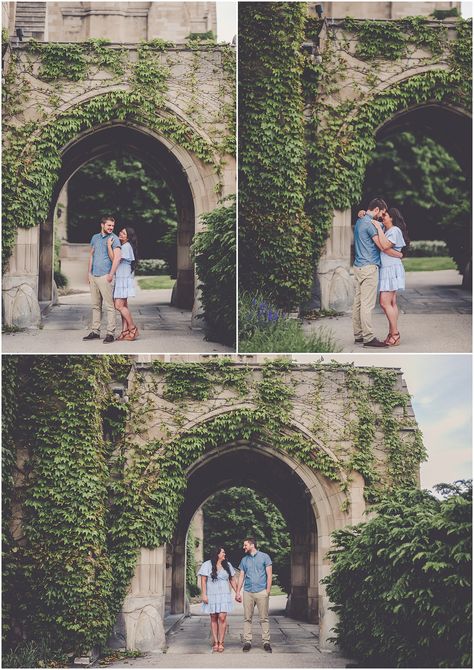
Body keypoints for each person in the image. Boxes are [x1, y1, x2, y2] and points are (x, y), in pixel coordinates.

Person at [352, 197, 402, 348]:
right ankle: (368, 338)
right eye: (381, 213)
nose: (381, 216)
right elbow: (382, 246)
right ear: (376, 210)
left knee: (358, 303)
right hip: (369, 268)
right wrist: (398, 254)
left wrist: (361, 213)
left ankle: (358, 335)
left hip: (358, 267)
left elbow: (381, 224)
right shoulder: (371, 224)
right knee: (367, 305)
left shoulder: (360, 221)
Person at [83, 216, 121, 344]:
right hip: (94, 276)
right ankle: (95, 331)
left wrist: (111, 274)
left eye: (112, 226)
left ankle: (110, 333)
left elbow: (115, 259)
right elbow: (92, 256)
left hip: (106, 276)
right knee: (95, 305)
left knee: (110, 306)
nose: (111, 228)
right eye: (109, 225)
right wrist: (89, 273)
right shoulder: (95, 238)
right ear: (102, 225)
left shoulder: (114, 239)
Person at [235, 537, 273, 653]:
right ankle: (247, 641)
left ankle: (266, 642)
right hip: (248, 592)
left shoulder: (265, 557)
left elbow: (269, 575)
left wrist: (267, 591)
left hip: (261, 591)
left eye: (245, 545)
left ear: (252, 545)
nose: (243, 547)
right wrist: (238, 591)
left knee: (264, 618)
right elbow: (241, 576)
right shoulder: (244, 560)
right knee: (247, 618)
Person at [198, 547, 239, 653]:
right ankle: (216, 642)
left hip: (224, 595)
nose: (225, 554)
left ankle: (221, 642)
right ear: (217, 554)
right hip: (211, 594)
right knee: (213, 617)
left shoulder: (227, 565)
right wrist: (204, 595)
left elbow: (232, 579)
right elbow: (203, 581)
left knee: (222, 617)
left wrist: (237, 592)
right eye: (223, 552)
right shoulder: (206, 565)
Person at [378, 208, 409, 346]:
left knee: (384, 302)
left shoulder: (394, 230)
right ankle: (392, 333)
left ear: (392, 218)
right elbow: (387, 249)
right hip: (388, 269)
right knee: (392, 303)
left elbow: (385, 246)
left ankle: (395, 334)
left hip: (391, 269)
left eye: (385, 215)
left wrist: (377, 228)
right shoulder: (387, 231)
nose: (382, 217)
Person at [107, 226, 139, 341]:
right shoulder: (126, 246)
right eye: (121, 232)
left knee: (118, 306)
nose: (121, 234)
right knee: (123, 306)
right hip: (123, 277)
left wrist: (108, 246)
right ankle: (125, 331)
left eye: (124, 234)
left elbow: (114, 259)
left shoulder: (125, 247)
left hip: (123, 278)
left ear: (128, 237)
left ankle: (133, 328)